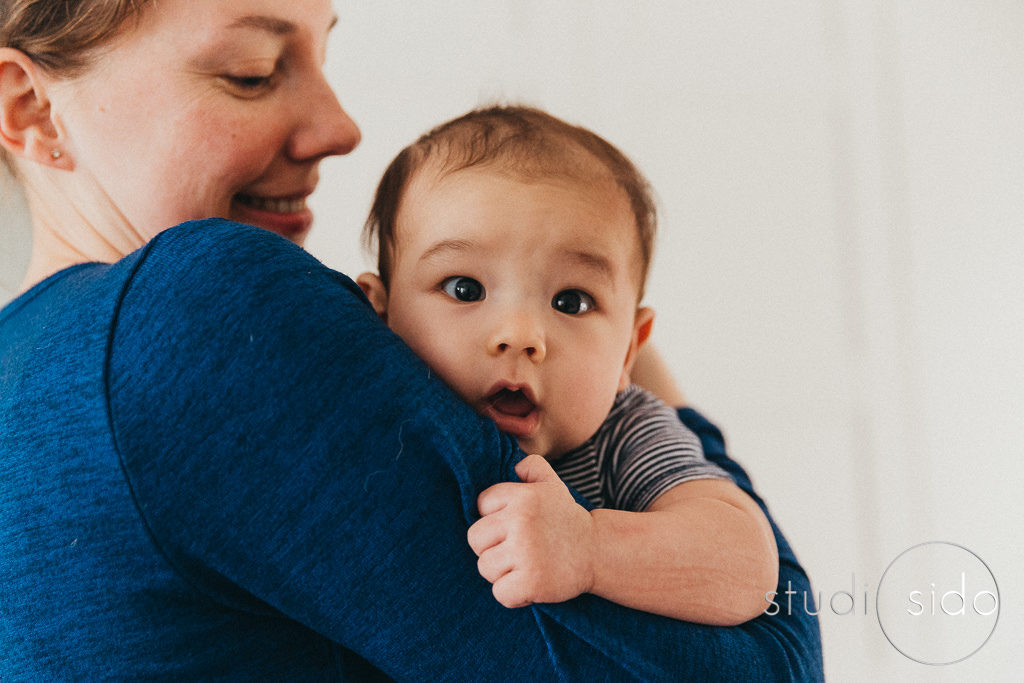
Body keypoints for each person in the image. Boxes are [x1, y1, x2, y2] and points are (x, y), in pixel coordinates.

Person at [0, 1, 823, 680]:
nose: (341, 126)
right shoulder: (199, 309)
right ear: (30, 108)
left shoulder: (25, 369)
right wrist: (618, 368)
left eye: (326, 56)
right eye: (250, 73)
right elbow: (773, 660)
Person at [355, 106, 777, 624]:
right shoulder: (368, 419)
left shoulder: (623, 435)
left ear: (628, 350)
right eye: (465, 289)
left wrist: (590, 547)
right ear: (379, 315)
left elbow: (745, 564)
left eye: (571, 301)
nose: (520, 335)